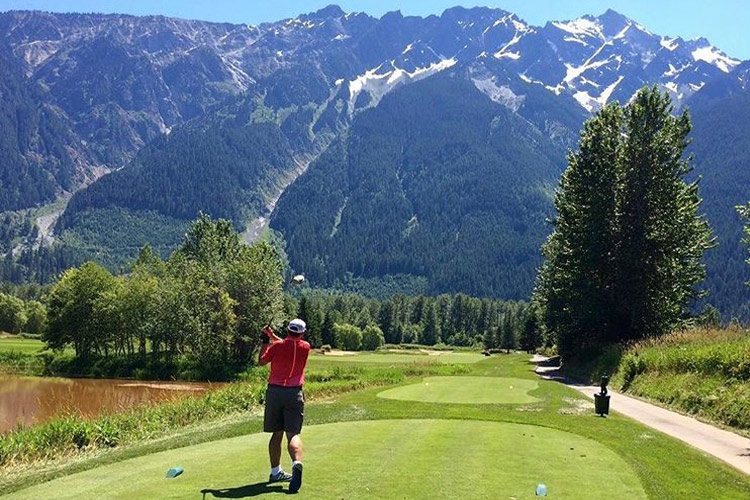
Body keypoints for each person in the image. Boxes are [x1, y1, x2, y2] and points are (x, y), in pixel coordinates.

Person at [258, 318, 311, 494]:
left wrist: (265, 341)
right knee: (292, 434)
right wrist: (272, 335)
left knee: (276, 432)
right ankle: (297, 463)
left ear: (288, 330)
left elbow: (262, 361)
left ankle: (276, 472)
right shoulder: (305, 347)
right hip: (294, 393)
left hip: (275, 393)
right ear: (302, 333)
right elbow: (288, 344)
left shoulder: (277, 347)